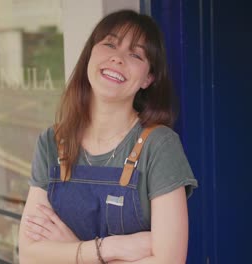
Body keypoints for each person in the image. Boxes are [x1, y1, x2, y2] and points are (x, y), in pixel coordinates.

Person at [18, 9, 197, 263]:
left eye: (135, 54)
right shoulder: (52, 141)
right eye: (110, 44)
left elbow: (169, 261)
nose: (118, 58)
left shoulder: (160, 145)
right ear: (90, 53)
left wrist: (71, 249)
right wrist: (109, 248)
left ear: (148, 78)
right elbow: (28, 255)